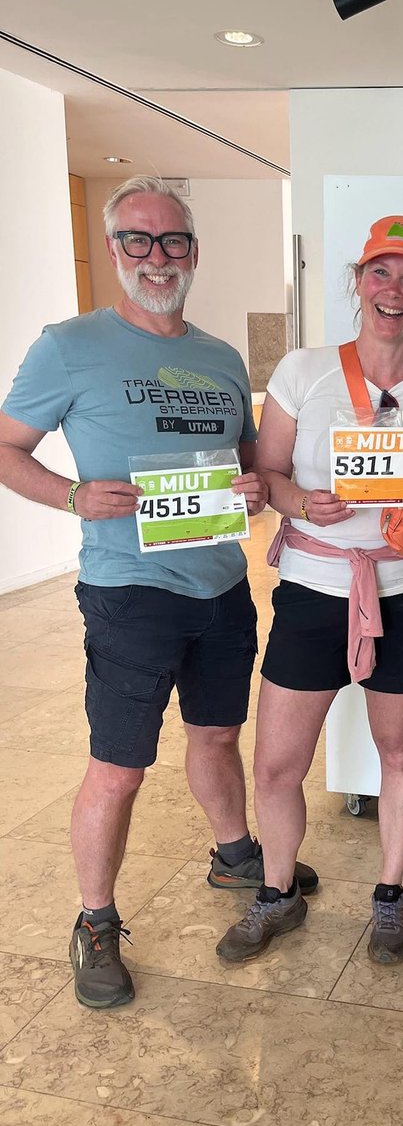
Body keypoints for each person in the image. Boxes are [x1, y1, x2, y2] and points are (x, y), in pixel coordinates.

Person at [0, 176, 317, 1011]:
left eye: (172, 240)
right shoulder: (69, 346)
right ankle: (95, 921)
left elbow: (252, 461)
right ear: (113, 252)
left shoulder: (217, 358)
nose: (156, 256)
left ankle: (233, 853)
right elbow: (5, 447)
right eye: (137, 240)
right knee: (119, 768)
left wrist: (254, 488)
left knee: (216, 739)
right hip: (128, 591)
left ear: (193, 253)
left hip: (219, 588)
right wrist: (70, 495)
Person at [215, 215, 403, 967]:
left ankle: (390, 893)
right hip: (314, 587)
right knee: (276, 765)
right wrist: (300, 503)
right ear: (358, 282)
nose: (393, 290)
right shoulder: (304, 370)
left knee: (399, 751)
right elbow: (268, 475)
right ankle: (278, 892)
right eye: (380, 273)